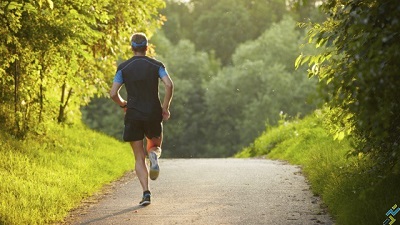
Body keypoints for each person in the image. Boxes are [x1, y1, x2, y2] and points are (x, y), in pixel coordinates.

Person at [109, 32, 174, 206]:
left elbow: (113, 93)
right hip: (153, 113)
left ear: (132, 47)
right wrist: (165, 108)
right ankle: (153, 156)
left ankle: (146, 193)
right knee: (155, 146)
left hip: (133, 115)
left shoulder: (123, 68)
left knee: (138, 157)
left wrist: (124, 104)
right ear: (146, 47)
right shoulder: (156, 65)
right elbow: (169, 84)